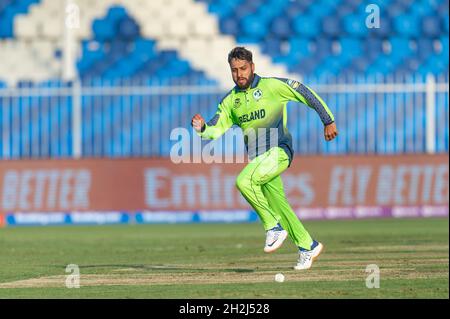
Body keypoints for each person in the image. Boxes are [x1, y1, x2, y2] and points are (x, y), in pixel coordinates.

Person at [191, 47, 338, 270]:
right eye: (234, 70)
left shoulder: (272, 86)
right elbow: (215, 126)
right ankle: (308, 245)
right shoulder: (230, 101)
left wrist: (328, 120)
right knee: (281, 207)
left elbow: (305, 93)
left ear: (252, 67)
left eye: (243, 68)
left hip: (279, 151)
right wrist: (202, 128)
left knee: (244, 181)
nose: (239, 74)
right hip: (259, 159)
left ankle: (272, 226)